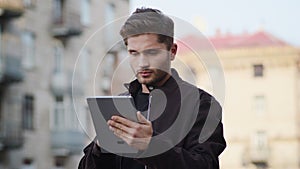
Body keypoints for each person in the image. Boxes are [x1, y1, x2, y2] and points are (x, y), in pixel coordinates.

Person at [79, 7, 226, 169]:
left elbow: (206, 165)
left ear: (172, 51)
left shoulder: (201, 104)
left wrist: (151, 146)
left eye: (151, 52)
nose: (142, 63)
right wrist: (100, 148)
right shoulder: (119, 104)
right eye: (134, 53)